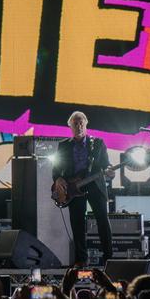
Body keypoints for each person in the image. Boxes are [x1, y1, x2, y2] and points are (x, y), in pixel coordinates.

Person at [52, 111, 114, 266]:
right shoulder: (63, 146)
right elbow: (56, 170)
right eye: (75, 123)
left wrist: (110, 172)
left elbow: (106, 165)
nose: (78, 126)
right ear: (70, 126)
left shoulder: (98, 143)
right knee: (77, 224)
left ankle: (109, 258)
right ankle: (81, 260)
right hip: (73, 189)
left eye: (81, 123)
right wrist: (58, 178)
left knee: (103, 221)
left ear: (86, 124)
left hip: (95, 186)